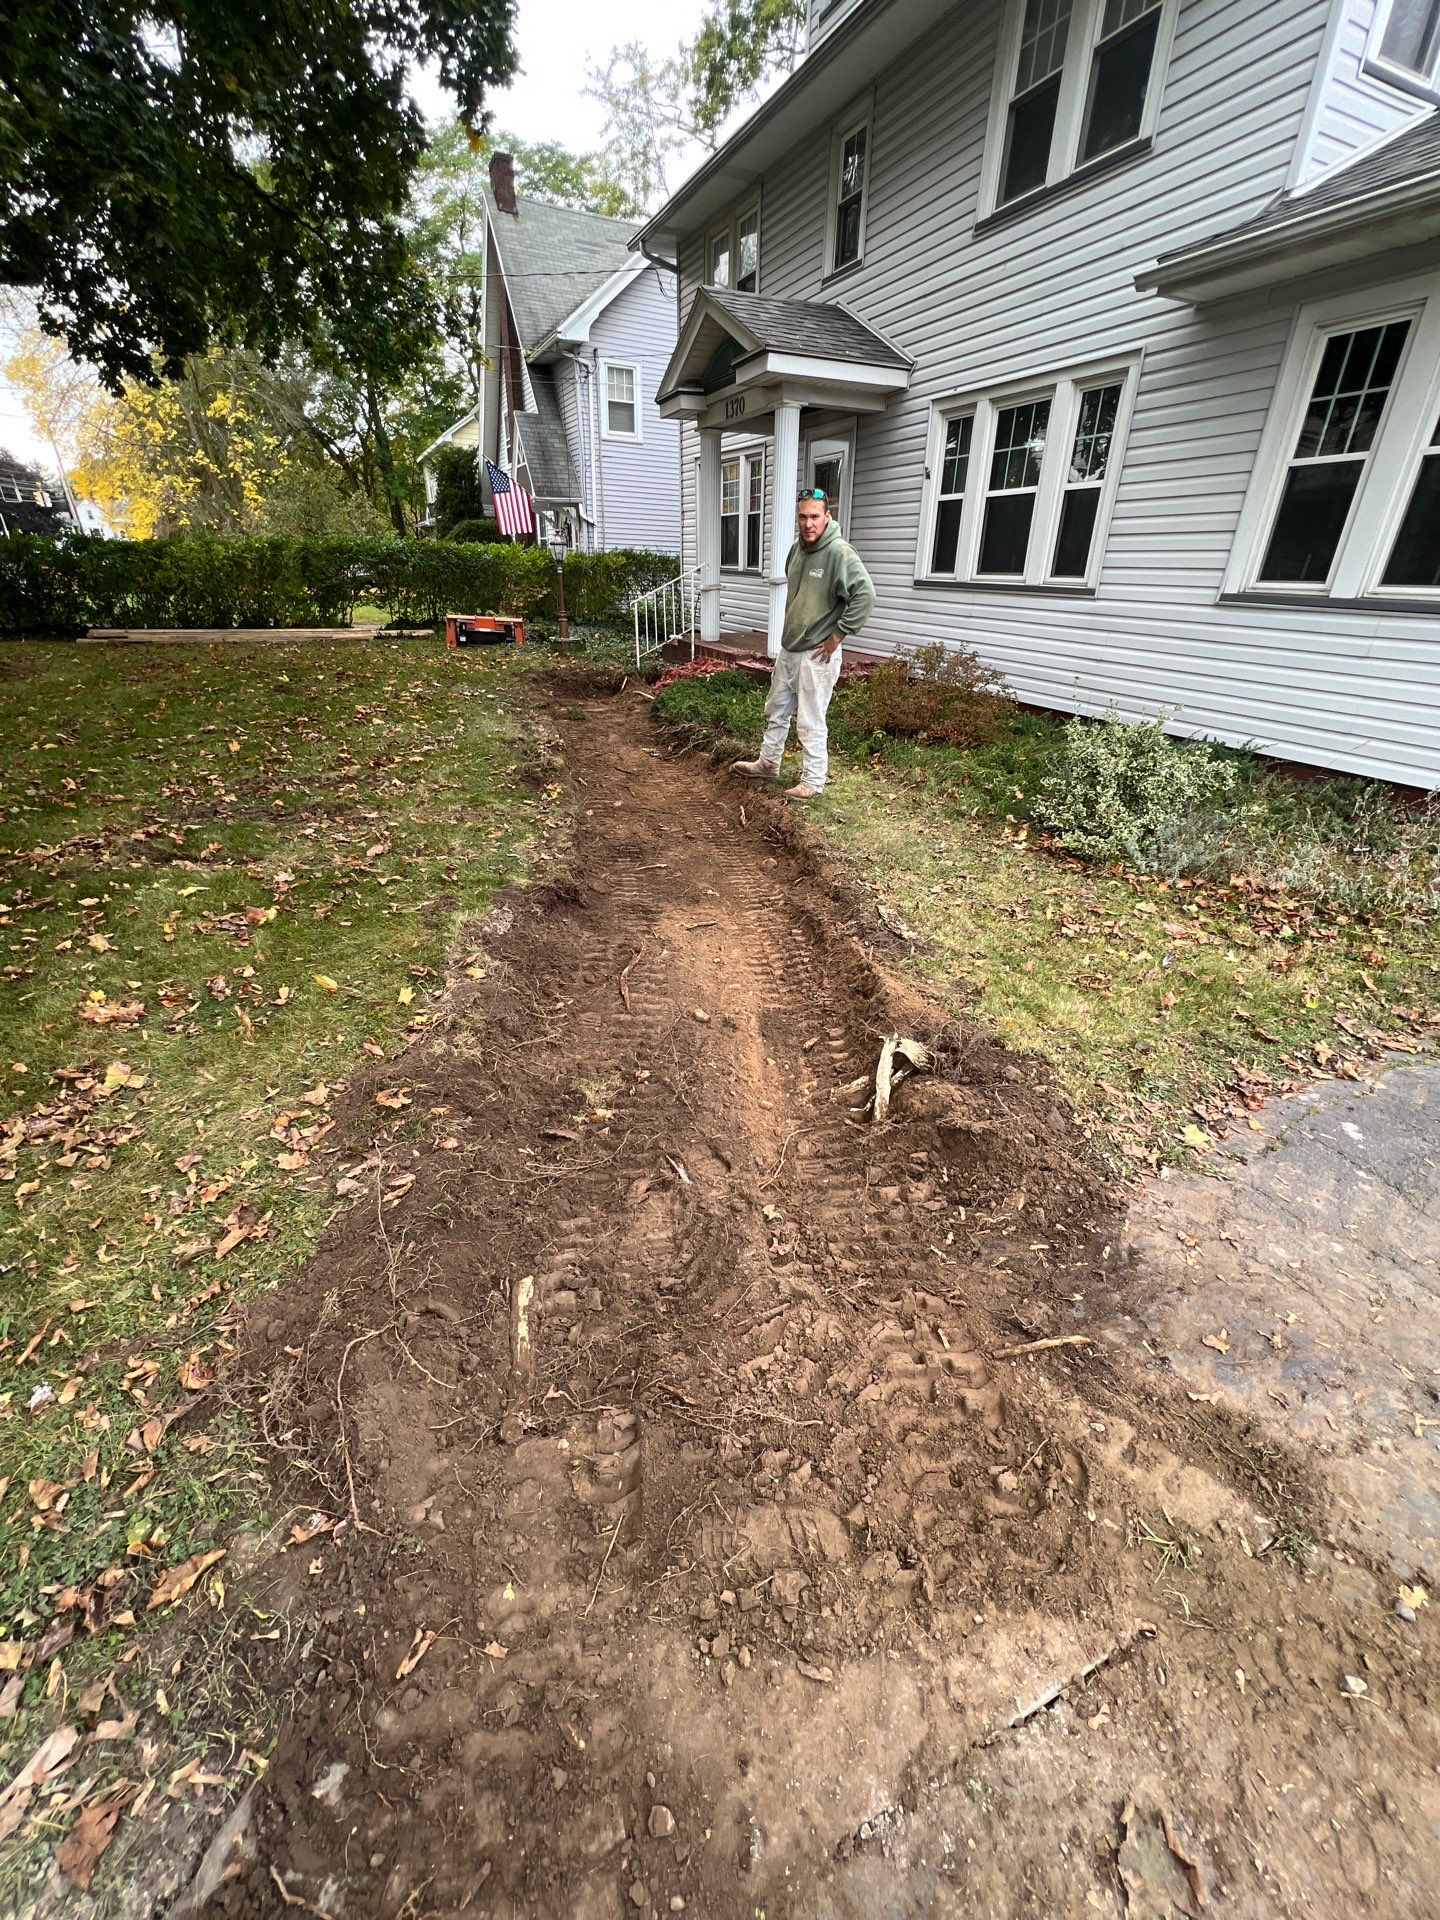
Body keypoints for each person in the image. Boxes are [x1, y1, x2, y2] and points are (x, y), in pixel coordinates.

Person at [731, 488, 876, 799]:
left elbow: (865, 596)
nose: (808, 523)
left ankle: (813, 781)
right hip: (790, 647)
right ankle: (768, 764)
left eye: (814, 516)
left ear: (827, 516)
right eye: (803, 516)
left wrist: (837, 635)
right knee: (776, 709)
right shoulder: (797, 549)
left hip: (816, 653)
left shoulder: (840, 553)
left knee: (810, 719)